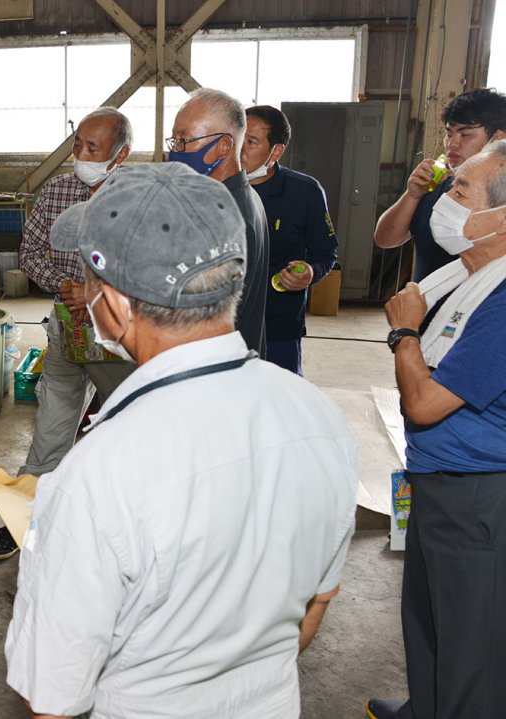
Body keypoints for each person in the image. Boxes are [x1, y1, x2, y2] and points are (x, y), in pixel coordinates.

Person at [5, 162, 359, 718]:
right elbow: (312, 611)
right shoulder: (319, 417)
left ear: (116, 307)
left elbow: (51, 698)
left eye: (91, 284)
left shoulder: (97, 474)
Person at [366, 141, 506, 719]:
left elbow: (423, 402)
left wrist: (405, 334)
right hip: (437, 478)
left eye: (463, 190)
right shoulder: (460, 276)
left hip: (475, 492)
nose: (447, 199)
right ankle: (425, 706)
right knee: (426, 617)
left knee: (473, 642)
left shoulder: (500, 301)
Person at [0, 107, 135, 561]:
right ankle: (20, 521)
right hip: (67, 331)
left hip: (120, 338)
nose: (80, 155)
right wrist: (64, 288)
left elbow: (152, 269)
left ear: (120, 154)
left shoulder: (141, 200)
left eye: (93, 148)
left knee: (129, 434)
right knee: (50, 434)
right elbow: (29, 252)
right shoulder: (58, 190)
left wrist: (97, 295)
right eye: (77, 145)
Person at [168, 88, 269, 357]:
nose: (176, 151)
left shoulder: (223, 218)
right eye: (174, 140)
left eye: (184, 140)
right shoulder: (246, 196)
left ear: (224, 146)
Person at [241, 105, 338, 375]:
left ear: (276, 151)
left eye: (251, 141)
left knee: (279, 404)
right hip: (223, 326)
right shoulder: (214, 188)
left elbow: (326, 253)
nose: (241, 149)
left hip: (278, 326)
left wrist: (310, 272)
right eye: (238, 137)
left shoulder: (304, 192)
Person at [373, 88, 506, 281]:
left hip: (475, 309)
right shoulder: (434, 185)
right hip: (422, 309)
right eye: (449, 133)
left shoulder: (500, 197)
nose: (452, 143)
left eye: (465, 135)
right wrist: (412, 195)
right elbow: (385, 239)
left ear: (498, 138)